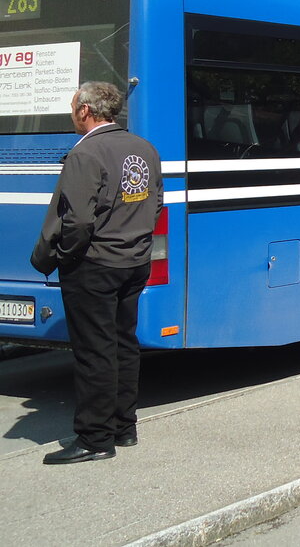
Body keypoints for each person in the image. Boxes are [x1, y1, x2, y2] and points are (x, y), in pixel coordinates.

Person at [30, 81, 163, 464]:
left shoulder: (85, 152)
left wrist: (69, 257)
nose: (73, 113)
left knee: (94, 352)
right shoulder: (144, 148)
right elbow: (155, 204)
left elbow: (79, 220)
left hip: (95, 265)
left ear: (85, 111)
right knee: (124, 345)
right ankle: (124, 428)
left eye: (74, 107)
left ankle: (94, 439)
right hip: (135, 262)